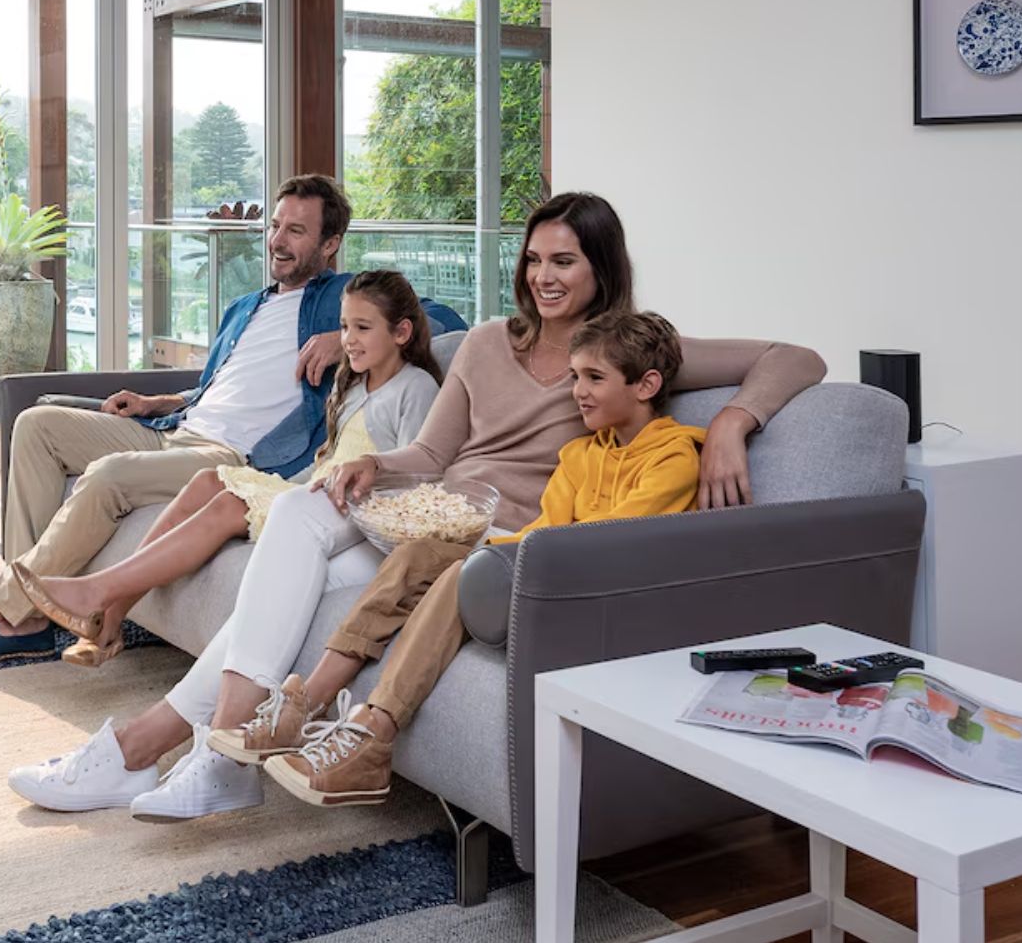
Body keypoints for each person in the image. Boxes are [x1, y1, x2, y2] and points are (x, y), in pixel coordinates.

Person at [2, 191, 821, 822]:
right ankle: (214, 759)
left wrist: (732, 426)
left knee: (322, 593)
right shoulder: (493, 340)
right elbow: (429, 456)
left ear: (601, 267)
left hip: (497, 538)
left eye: (565, 261)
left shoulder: (625, 354)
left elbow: (797, 356)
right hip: (425, 512)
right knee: (299, 512)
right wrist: (374, 469)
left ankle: (174, 752)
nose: (545, 276)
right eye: (535, 258)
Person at [0, 175, 465, 667]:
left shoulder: (339, 297)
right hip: (177, 426)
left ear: (331, 243)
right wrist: (158, 402)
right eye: (276, 225)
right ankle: (28, 604)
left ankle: (9, 614)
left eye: (297, 230)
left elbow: (437, 315)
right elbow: (217, 385)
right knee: (39, 425)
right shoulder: (247, 306)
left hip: (233, 455)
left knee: (112, 474)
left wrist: (339, 339)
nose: (278, 241)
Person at [250, 310, 704, 806]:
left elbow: (607, 544)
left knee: (459, 577)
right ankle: (306, 705)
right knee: (419, 556)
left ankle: (374, 736)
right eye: (575, 376)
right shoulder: (580, 455)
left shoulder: (674, 458)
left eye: (595, 378)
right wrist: (476, 550)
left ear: (646, 385)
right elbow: (545, 530)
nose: (578, 391)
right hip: (549, 569)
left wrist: (481, 563)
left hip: (596, 598)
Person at [11, 270, 445, 668]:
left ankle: (97, 591)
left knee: (228, 507)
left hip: (344, 508)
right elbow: (324, 462)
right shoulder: (351, 384)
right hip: (309, 490)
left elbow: (414, 477)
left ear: (402, 331)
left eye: (362, 328)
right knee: (207, 481)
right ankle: (112, 620)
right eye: (345, 326)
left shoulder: (416, 388)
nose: (348, 340)